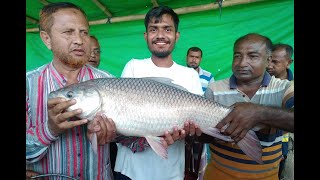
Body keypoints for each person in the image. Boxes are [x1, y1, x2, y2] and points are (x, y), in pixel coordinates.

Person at [26, 2, 116, 180]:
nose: (79, 40)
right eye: (68, 32)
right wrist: (49, 129)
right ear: (47, 39)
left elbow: (127, 139)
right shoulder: (29, 85)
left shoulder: (107, 79)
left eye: (84, 32)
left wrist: (114, 135)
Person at [114, 5, 203, 180]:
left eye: (167, 29)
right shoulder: (133, 66)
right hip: (129, 170)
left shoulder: (190, 75)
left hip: (170, 173)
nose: (160, 35)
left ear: (176, 36)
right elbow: (122, 121)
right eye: (154, 29)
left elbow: (196, 132)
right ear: (146, 36)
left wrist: (189, 133)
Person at [198, 33, 294, 179]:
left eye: (252, 56)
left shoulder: (284, 88)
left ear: (268, 60)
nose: (242, 63)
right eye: (237, 56)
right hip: (218, 175)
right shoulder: (215, 89)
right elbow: (206, 137)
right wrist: (196, 134)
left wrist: (259, 113)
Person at [185, 46, 215, 180]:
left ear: (200, 59)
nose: (193, 60)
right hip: (182, 119)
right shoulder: (180, 74)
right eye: (191, 56)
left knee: (200, 154)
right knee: (183, 155)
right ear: (187, 57)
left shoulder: (208, 76)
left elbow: (211, 99)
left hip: (202, 121)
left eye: (196, 57)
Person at [267, 43, 294, 180]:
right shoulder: (259, 83)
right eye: (268, 60)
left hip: (287, 149)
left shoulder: (292, 87)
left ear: (288, 63)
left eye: (275, 61)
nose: (269, 65)